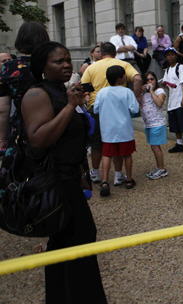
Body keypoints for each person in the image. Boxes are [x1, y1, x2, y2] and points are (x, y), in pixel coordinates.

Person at [22, 41, 106, 303]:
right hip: (54, 182)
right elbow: (38, 139)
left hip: (70, 178)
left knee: (72, 241)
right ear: (42, 67)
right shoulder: (37, 95)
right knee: (75, 239)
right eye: (58, 61)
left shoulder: (62, 91)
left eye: (68, 59)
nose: (67, 64)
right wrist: (70, 107)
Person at [81, 42, 142, 185]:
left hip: (97, 108)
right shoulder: (123, 65)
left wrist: (86, 99)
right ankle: (119, 175)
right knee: (120, 145)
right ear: (115, 53)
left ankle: (96, 173)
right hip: (120, 110)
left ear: (101, 53)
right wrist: (136, 96)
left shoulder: (92, 67)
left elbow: (84, 87)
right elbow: (138, 78)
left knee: (98, 145)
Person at [0, 21, 49, 154]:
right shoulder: (52, 63)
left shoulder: (9, 67)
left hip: (22, 125)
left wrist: (2, 139)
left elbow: (3, 109)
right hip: (53, 122)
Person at [93, 65, 139, 197]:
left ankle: (105, 181)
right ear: (120, 78)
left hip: (108, 130)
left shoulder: (102, 92)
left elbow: (96, 109)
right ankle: (129, 179)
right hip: (124, 129)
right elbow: (135, 109)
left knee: (107, 155)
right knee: (127, 155)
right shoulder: (127, 92)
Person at [140, 71, 168, 180]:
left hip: (157, 123)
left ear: (156, 80)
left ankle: (162, 169)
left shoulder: (159, 91)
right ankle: (159, 167)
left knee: (156, 147)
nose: (149, 81)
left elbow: (159, 103)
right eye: (147, 80)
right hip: (149, 124)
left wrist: (151, 90)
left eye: (152, 79)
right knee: (153, 147)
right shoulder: (144, 93)